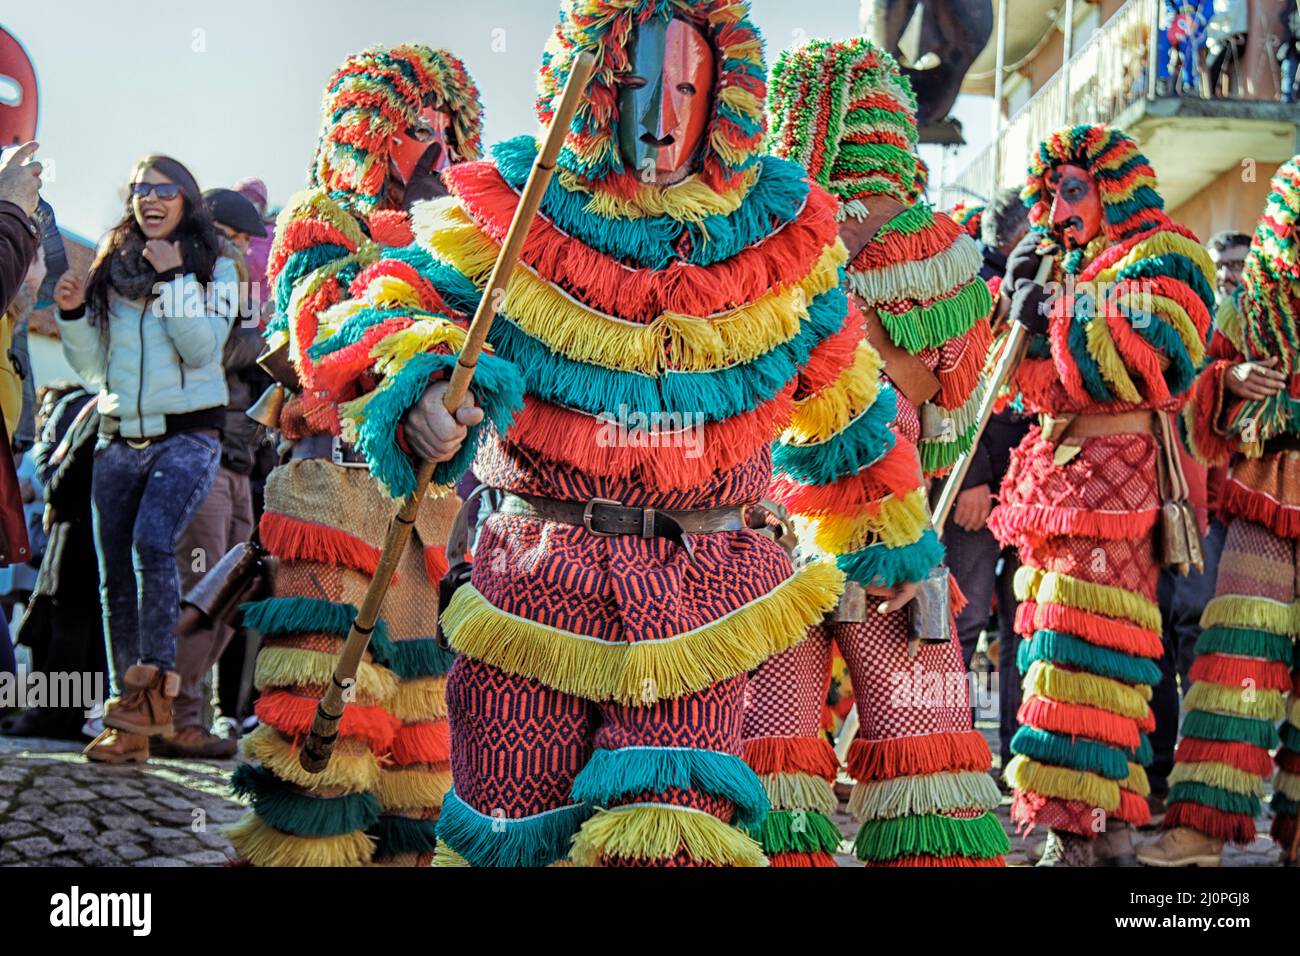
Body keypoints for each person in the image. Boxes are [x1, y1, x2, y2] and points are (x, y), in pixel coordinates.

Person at [741, 37, 1006, 868]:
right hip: (893, 529)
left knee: (774, 757)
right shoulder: (948, 258)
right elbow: (952, 420)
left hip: (768, 533)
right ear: (893, 121)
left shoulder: (756, 239)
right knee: (925, 750)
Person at [228, 45, 484, 867]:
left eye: (449, 129)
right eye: (414, 128)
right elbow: (324, 332)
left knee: (418, 721)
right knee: (325, 713)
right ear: (366, 130)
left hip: (430, 503)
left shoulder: (462, 242)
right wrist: (410, 386)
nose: (436, 148)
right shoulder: (318, 219)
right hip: (331, 492)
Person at [988, 125, 1216, 866]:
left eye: (1074, 189)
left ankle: (1076, 827)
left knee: (1085, 651)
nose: (1057, 207)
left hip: (1119, 490)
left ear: (1115, 186)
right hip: (1057, 482)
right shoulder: (1070, 265)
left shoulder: (1169, 254)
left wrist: (1052, 305)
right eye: (1050, 193)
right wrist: (1012, 300)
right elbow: (1016, 383)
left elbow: (1147, 357)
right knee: (1064, 645)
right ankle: (1102, 825)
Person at [1138, 157, 1300, 867]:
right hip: (1262, 497)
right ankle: (1202, 829)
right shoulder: (1249, 302)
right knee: (1235, 655)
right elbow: (1200, 389)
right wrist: (1230, 378)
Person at [53, 155, 237, 763]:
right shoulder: (112, 265)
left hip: (187, 435)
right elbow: (92, 371)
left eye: (163, 190)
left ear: (186, 198)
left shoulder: (215, 268)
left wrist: (175, 278)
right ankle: (127, 727)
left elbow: (204, 348)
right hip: (115, 439)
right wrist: (75, 314)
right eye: (139, 189)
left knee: (151, 544)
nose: (149, 199)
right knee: (114, 584)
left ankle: (156, 688)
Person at [158, 188, 269, 758]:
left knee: (229, 594)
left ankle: (179, 711)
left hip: (236, 455)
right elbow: (209, 352)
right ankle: (172, 716)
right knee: (200, 591)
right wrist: (266, 339)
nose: (248, 249)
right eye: (241, 237)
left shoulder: (232, 279)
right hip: (202, 450)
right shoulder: (200, 275)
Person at [945, 187, 1033, 772]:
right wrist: (972, 477)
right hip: (977, 481)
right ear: (1008, 233)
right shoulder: (970, 282)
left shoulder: (1055, 280)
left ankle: (1019, 760)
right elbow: (957, 384)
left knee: (1025, 622)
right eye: (1036, 222)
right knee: (965, 617)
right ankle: (952, 754)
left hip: (1033, 487)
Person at [1204, 0, 1247, 97]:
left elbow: (1229, 15)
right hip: (1220, 40)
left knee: (1217, 65)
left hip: (1235, 39)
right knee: (1209, 64)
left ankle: (1214, 94)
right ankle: (1210, 93)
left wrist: (1207, 18)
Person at [1278, 2, 1300, 104]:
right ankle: (1286, 100)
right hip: (1292, 46)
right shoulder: (1292, 4)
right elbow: (1286, 17)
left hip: (1294, 44)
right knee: (1288, 70)